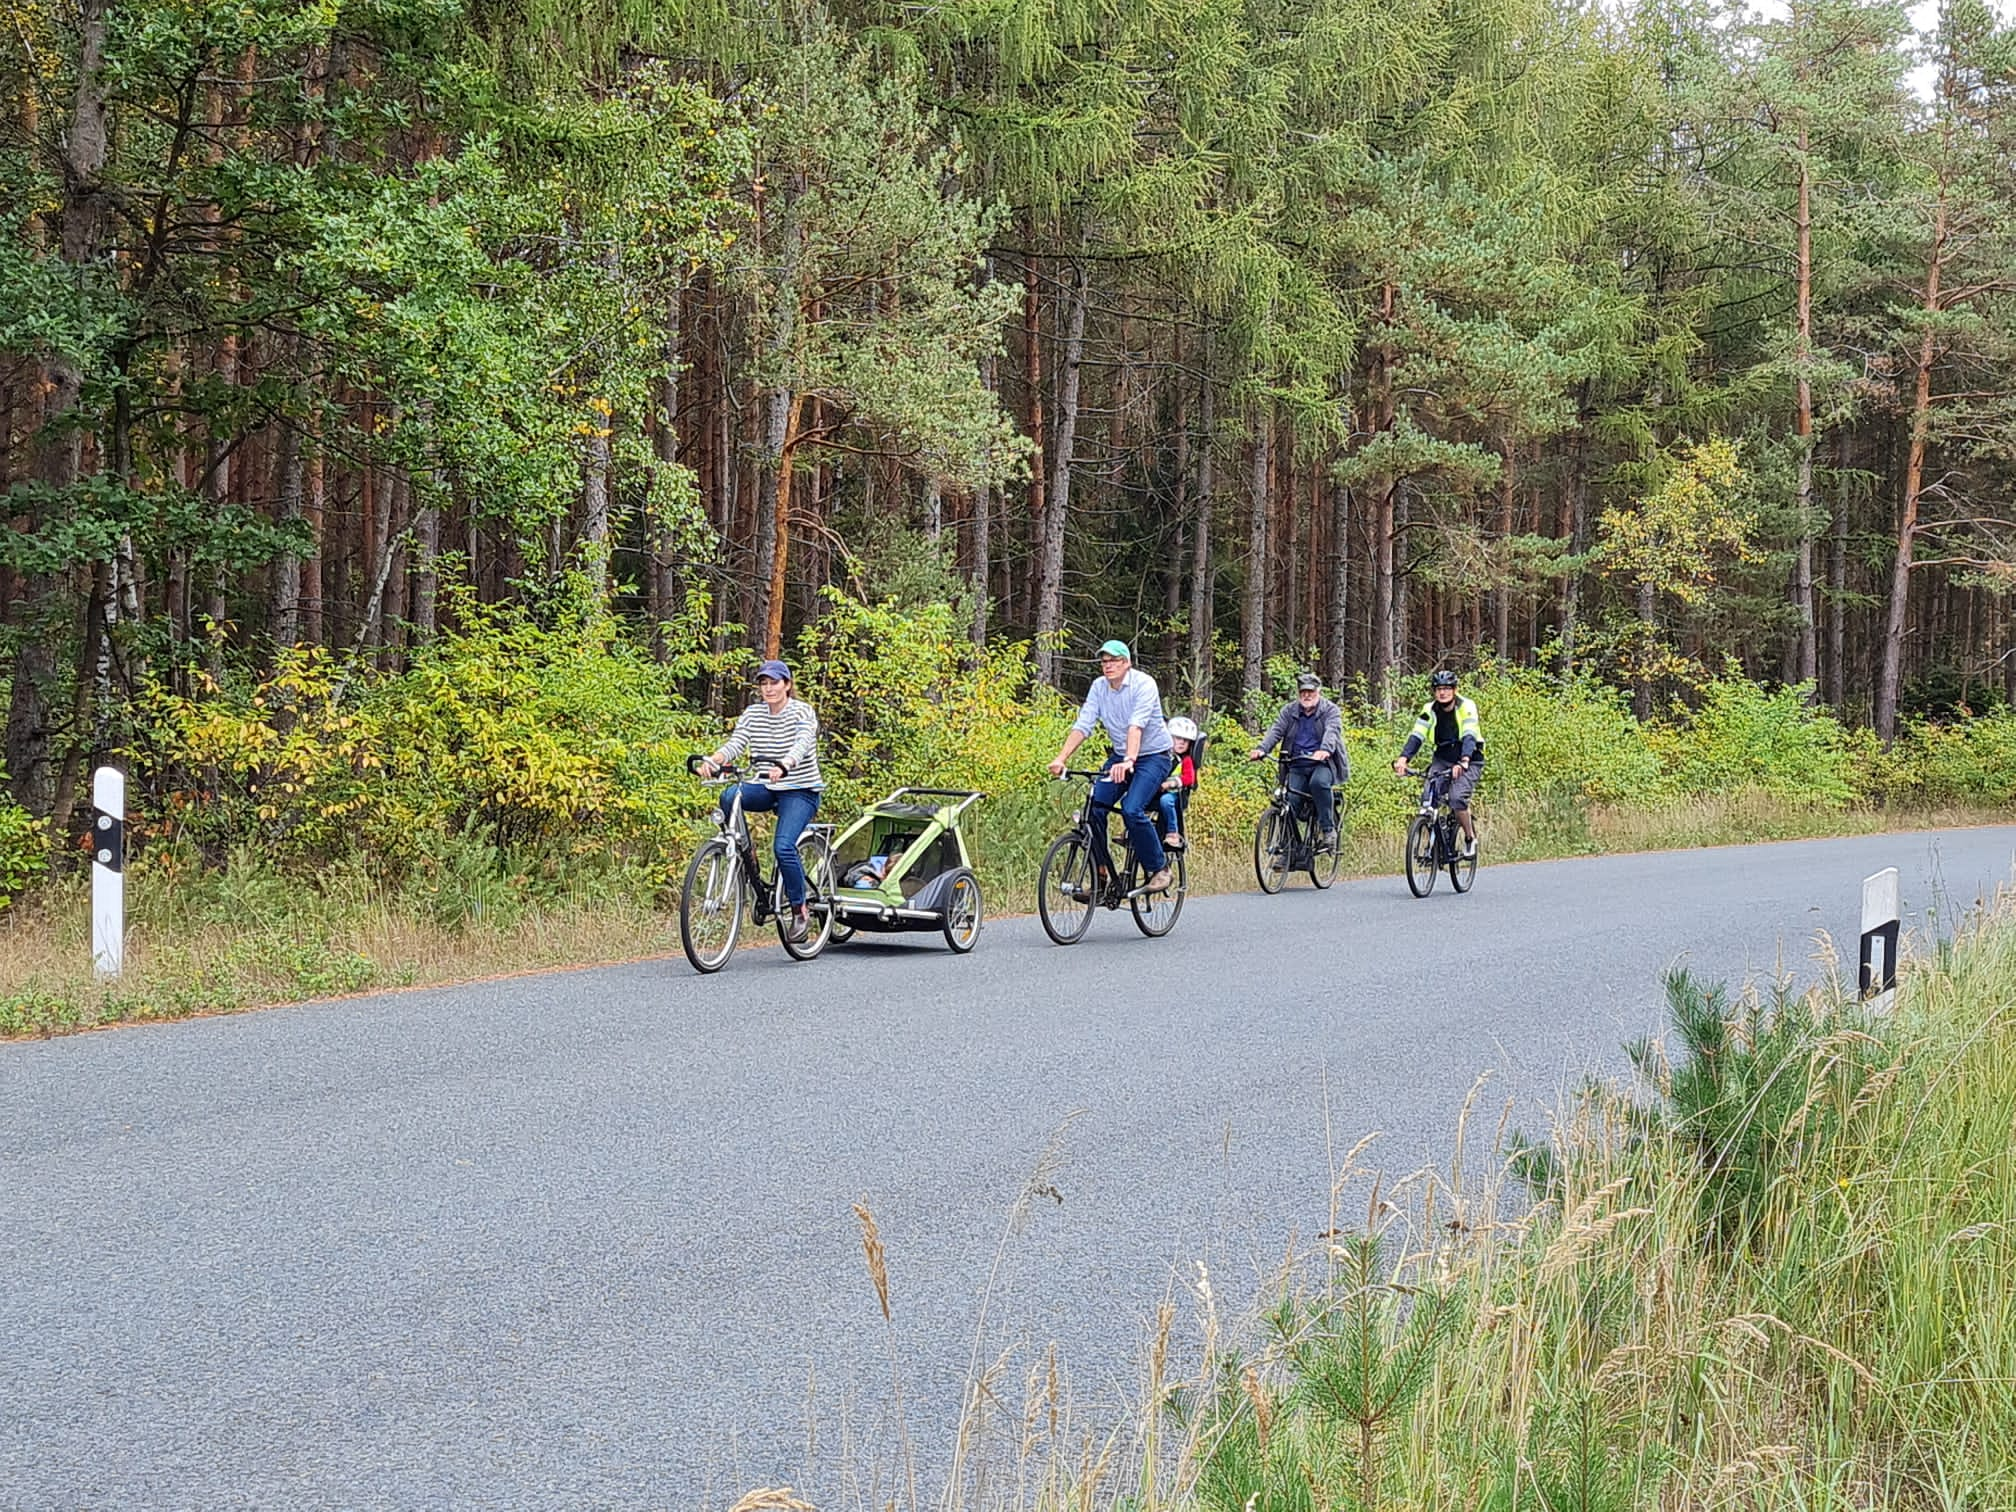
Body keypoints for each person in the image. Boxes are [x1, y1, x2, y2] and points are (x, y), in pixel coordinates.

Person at [696, 659, 824, 941]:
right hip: (766, 785)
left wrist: (785, 764)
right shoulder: (753, 714)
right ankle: (744, 852)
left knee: (783, 847)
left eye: (774, 683)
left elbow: (803, 742)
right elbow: (736, 743)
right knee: (729, 795)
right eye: (764, 684)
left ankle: (799, 909)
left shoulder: (802, 711)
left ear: (787, 685)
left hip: (799, 788)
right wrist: (713, 760)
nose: (769, 689)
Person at [1047, 640, 1175, 893]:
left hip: (1154, 756)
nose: (1108, 666)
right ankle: (1101, 874)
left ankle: (1160, 868)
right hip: (1121, 754)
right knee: (1094, 809)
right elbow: (1083, 725)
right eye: (1104, 661)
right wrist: (1061, 758)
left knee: (1131, 809)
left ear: (1127, 663)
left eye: (1114, 661)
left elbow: (1135, 726)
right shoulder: (1098, 687)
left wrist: (1129, 761)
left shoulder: (1144, 685)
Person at [1249, 672, 1348, 843]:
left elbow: (1332, 731)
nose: (1307, 695)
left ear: (1318, 692)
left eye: (1310, 692)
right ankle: (1288, 849)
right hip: (1296, 764)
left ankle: (1328, 829)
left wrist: (1324, 750)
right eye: (1303, 692)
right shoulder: (1289, 711)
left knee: (1318, 783)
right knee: (1290, 801)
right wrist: (1261, 749)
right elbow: (1276, 730)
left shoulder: (1330, 710)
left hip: (1322, 763)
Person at [1393, 669, 1483, 855]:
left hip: (1469, 758)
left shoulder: (1466, 706)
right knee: (1428, 796)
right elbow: (1417, 735)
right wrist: (1403, 758)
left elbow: (1469, 734)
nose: (1443, 693)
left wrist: (1464, 760)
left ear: (1455, 690)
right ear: (1434, 692)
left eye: (1447, 689)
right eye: (1439, 689)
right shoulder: (1429, 709)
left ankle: (1469, 837)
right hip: (1443, 757)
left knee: (1457, 798)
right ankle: (1432, 842)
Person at [1158, 716, 1201, 849]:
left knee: (1166, 801)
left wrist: (1171, 784)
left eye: (1185, 740)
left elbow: (1189, 778)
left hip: (1175, 794)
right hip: (1158, 791)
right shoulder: (1163, 756)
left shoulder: (1186, 760)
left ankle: (1173, 833)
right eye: (1178, 738)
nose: (1181, 743)